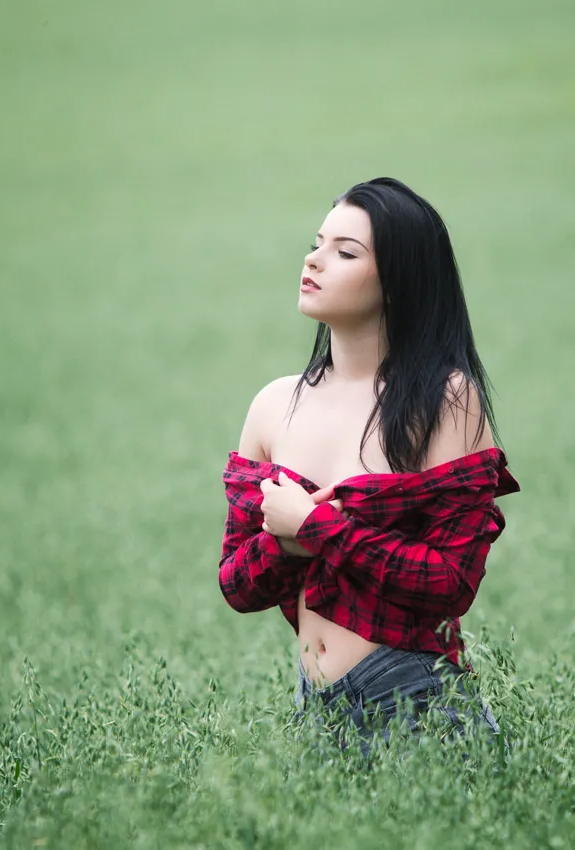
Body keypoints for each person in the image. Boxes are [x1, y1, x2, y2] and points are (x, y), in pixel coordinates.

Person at [218, 177, 519, 755]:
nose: (314, 259)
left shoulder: (445, 399)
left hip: (415, 699)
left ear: (398, 283)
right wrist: (284, 546)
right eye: (317, 242)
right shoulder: (273, 405)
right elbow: (235, 585)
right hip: (315, 708)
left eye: (345, 252)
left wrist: (315, 528)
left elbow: (449, 584)